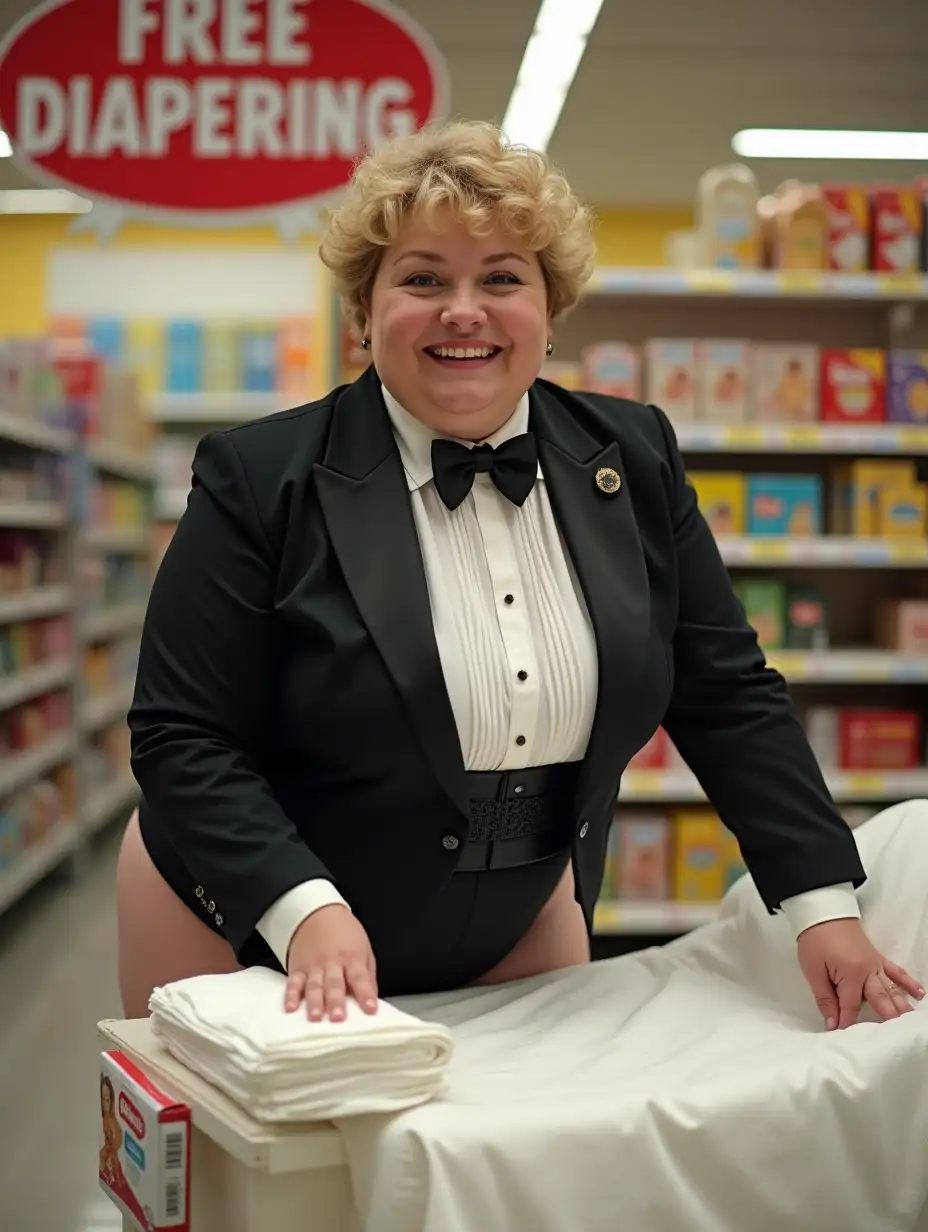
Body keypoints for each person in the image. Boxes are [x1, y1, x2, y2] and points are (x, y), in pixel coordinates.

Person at [118, 119, 923, 1029]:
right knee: (269, 1173)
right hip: (249, 922)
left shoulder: (634, 457)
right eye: (423, 279)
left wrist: (820, 905)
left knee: (506, 1167)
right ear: (363, 311)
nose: (465, 309)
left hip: (519, 916)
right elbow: (183, 736)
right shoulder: (262, 479)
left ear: (550, 310)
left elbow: (727, 692)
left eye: (502, 278)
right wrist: (303, 907)